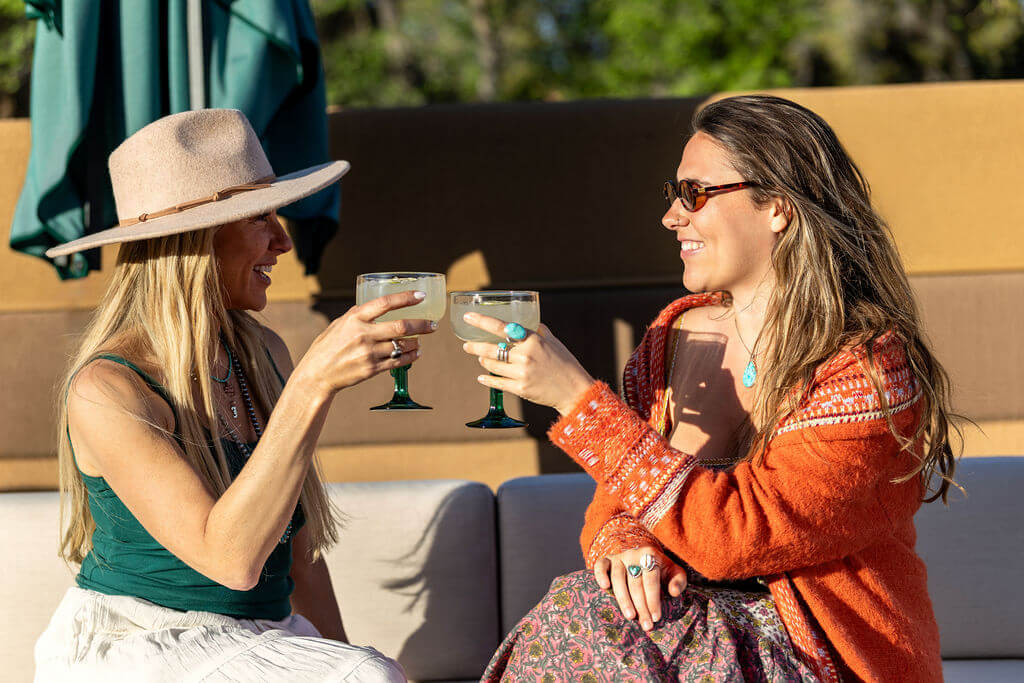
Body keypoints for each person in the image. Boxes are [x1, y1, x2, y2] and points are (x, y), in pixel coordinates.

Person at [463, 95, 957, 682]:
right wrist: (628, 547)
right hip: (675, 639)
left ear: (777, 207)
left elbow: (739, 536)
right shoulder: (671, 340)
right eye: (672, 194)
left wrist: (577, 401)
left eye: (694, 194)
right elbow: (618, 501)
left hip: (816, 658)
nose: (672, 217)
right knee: (587, 607)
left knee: (587, 621)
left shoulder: (867, 372)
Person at [35, 109, 426, 682]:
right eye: (260, 217)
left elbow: (298, 551)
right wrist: (313, 384)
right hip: (147, 641)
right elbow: (232, 561)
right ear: (194, 241)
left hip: (256, 635)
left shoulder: (261, 353)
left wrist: (347, 656)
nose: (283, 241)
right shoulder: (108, 389)